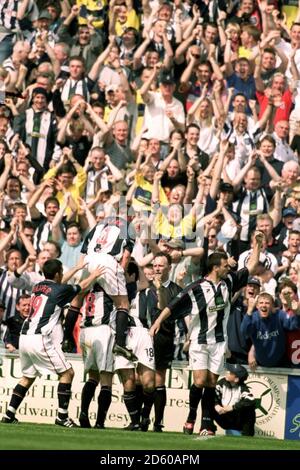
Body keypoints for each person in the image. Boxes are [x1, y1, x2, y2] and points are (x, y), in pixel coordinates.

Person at [150, 232, 263, 436]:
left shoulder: (228, 282)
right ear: (215, 267)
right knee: (200, 381)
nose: (228, 267)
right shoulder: (197, 288)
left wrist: (258, 245)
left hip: (219, 342)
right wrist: (157, 322)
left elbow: (252, 267)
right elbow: (173, 305)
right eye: (225, 265)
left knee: (211, 382)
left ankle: (206, 423)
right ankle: (192, 416)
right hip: (200, 341)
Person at [1, 259, 103, 427]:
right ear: (57, 274)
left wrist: (76, 267)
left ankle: (9, 413)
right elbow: (81, 287)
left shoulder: (38, 286)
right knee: (67, 373)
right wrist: (94, 274)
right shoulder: (59, 289)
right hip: (39, 339)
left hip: (25, 337)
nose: (62, 274)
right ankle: (62, 417)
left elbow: (59, 285)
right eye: (61, 272)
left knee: (27, 377)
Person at [81, 215, 137, 361]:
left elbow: (84, 249)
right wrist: (120, 275)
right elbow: (125, 256)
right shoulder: (128, 227)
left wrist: (80, 269)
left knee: (77, 297)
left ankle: (67, 337)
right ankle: (120, 344)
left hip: (89, 260)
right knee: (123, 304)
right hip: (108, 261)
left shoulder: (100, 224)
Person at [213, 363, 256, 436]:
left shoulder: (242, 388)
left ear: (236, 379)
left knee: (250, 409)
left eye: (230, 372)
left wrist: (233, 407)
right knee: (207, 401)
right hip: (223, 416)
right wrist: (216, 405)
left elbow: (251, 400)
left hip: (237, 421)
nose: (227, 372)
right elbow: (212, 394)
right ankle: (208, 428)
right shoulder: (222, 382)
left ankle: (247, 435)